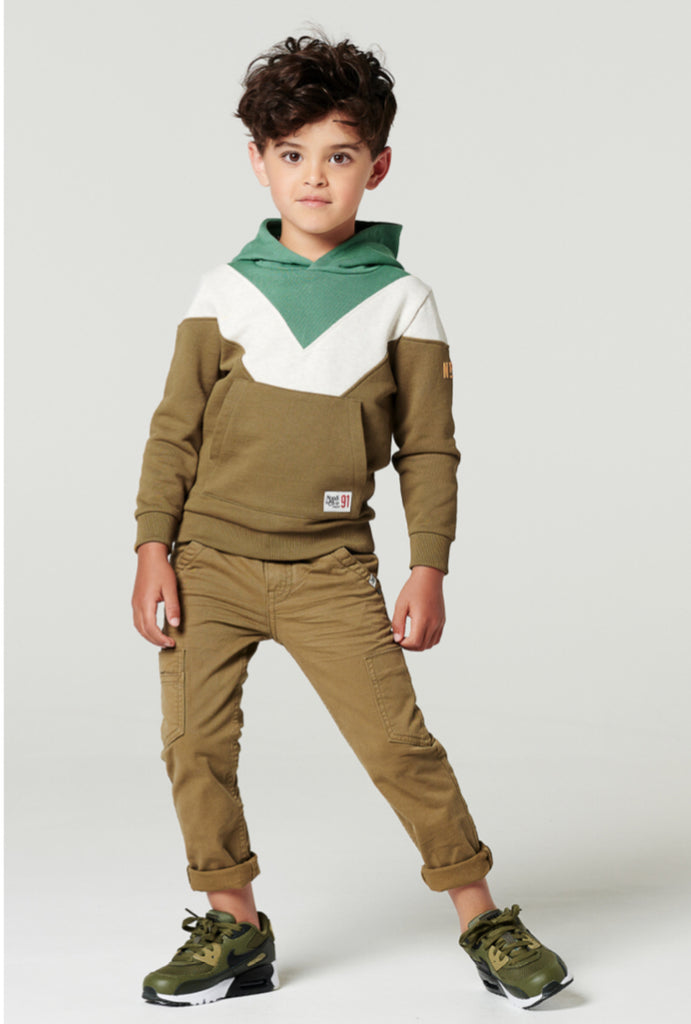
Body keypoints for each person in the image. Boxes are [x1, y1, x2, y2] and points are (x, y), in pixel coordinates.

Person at [132, 34, 571, 1010]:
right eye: (291, 154)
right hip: (208, 561)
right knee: (193, 746)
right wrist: (152, 547)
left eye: (338, 155)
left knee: (397, 746)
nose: (314, 177)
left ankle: (482, 919)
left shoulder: (402, 301)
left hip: (330, 569)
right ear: (258, 162)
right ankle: (235, 928)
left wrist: (428, 565)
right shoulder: (224, 292)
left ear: (377, 164)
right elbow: (173, 431)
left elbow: (429, 449)